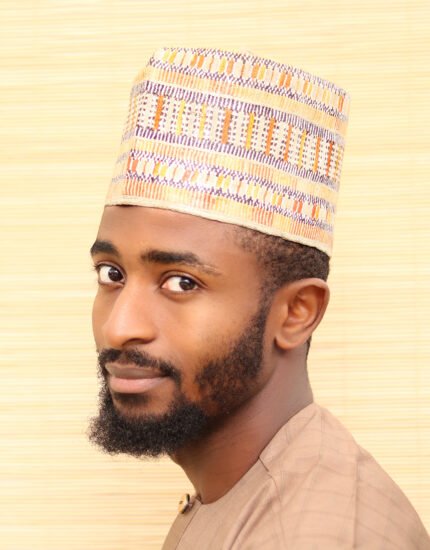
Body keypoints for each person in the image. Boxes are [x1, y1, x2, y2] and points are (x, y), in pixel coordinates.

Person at [88, 47, 429, 549]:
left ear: (296, 313)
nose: (119, 327)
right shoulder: (236, 494)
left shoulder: (312, 535)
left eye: (181, 282)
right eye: (112, 274)